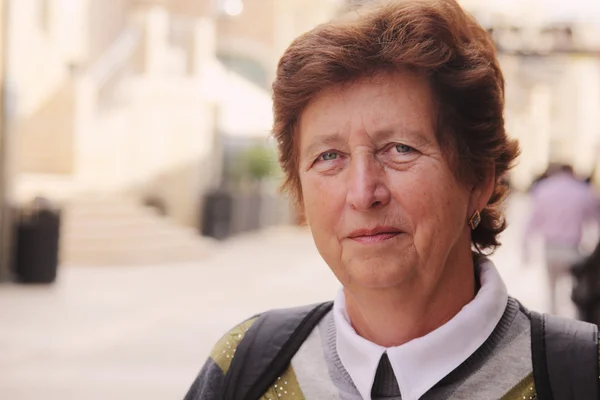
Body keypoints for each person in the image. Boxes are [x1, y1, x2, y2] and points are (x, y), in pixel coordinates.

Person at [185, 1, 599, 399]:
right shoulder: (244, 369)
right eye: (329, 157)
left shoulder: (581, 376)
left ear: (479, 179)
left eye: (400, 149)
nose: (364, 194)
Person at [523, 164, 600, 315]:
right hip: (571, 249)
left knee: (551, 291)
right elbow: (596, 219)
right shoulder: (582, 190)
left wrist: (525, 248)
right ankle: (576, 323)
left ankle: (553, 322)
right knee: (577, 288)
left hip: (550, 248)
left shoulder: (544, 189)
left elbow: (532, 222)